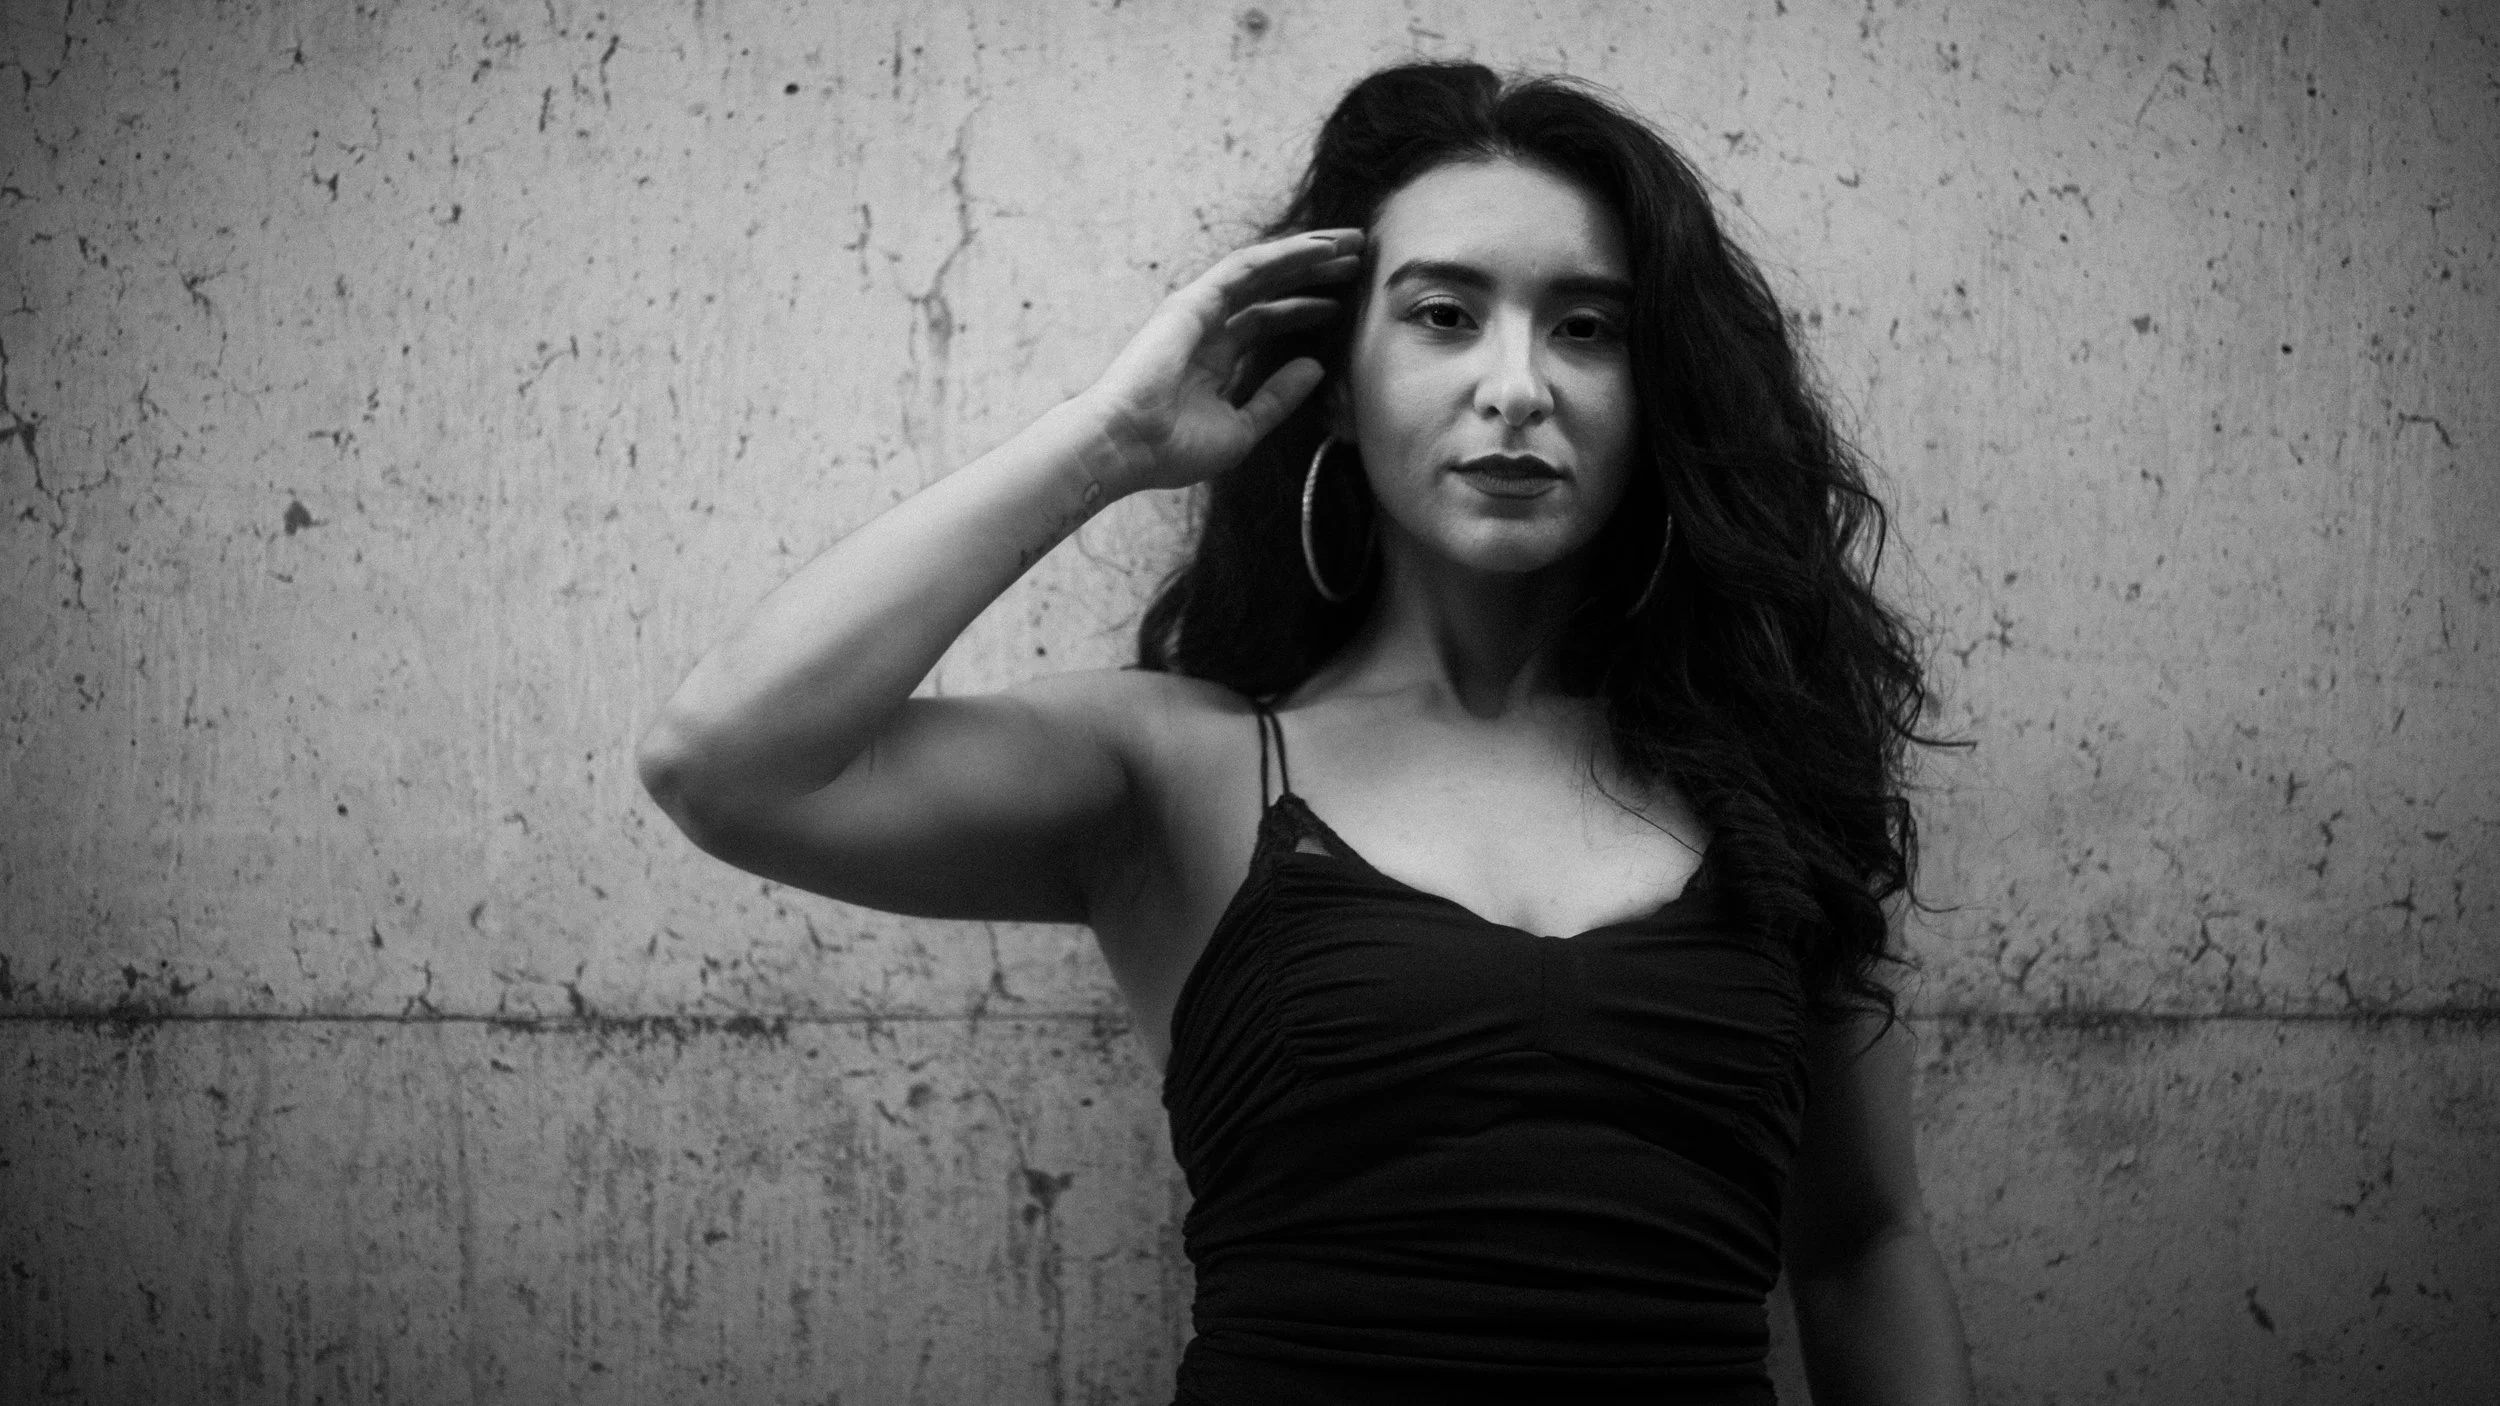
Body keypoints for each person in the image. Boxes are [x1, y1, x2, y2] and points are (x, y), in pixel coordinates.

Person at [640, 60, 1974, 1406]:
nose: (1518, 385)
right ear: (1336, 381)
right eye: (1445, 315)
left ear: (1655, 389)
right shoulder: (1180, 772)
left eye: (1587, 329)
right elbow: (723, 765)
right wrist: (1110, 440)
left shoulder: (1771, 781)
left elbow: (1863, 1249)